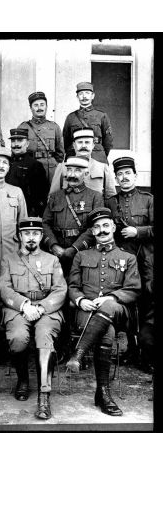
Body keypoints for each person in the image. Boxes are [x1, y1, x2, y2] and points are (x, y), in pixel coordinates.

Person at [66, 207, 141, 416]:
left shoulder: (128, 257)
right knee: (105, 332)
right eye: (97, 227)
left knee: (107, 308)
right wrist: (80, 300)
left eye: (106, 225)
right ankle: (103, 393)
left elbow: (134, 289)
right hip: (87, 311)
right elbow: (72, 287)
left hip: (118, 310)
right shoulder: (81, 256)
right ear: (92, 231)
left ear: (114, 227)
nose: (101, 230)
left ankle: (78, 353)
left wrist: (111, 298)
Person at [0, 217, 67, 420]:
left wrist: (41, 307)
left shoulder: (52, 260)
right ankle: (23, 380)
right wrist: (24, 305)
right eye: (27, 233)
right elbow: (4, 288)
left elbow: (60, 290)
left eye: (35, 233)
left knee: (45, 337)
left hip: (46, 309)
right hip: (18, 309)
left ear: (41, 236)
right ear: (20, 236)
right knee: (18, 339)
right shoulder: (8, 259)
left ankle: (44, 396)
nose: (31, 237)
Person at [106, 156, 154, 370]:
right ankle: (131, 350)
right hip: (121, 262)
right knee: (126, 306)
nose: (124, 177)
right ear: (115, 178)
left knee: (146, 306)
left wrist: (138, 231)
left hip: (145, 261)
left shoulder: (148, 199)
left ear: (135, 176)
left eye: (128, 173)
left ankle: (147, 353)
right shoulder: (111, 202)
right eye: (120, 174)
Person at [42, 155, 105, 275]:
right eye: (69, 170)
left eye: (77, 170)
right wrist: (53, 245)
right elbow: (45, 223)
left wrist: (75, 248)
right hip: (56, 253)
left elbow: (95, 227)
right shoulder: (56, 197)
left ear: (86, 174)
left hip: (82, 252)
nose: (72, 174)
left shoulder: (95, 197)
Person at [50, 128, 116, 202]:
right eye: (80, 142)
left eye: (87, 142)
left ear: (93, 145)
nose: (83, 146)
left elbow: (111, 198)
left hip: (95, 210)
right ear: (74, 145)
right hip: (69, 211)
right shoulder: (62, 167)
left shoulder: (103, 168)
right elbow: (53, 197)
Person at [18, 92, 64, 183]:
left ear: (46, 106)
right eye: (36, 105)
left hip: (50, 171)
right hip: (30, 168)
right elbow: (17, 152)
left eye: (42, 105)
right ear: (31, 108)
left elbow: (60, 153)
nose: (39, 108)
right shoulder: (23, 127)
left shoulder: (54, 127)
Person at [63, 81, 113, 164]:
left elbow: (108, 141)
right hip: (75, 156)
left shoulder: (101, 115)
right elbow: (66, 141)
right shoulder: (71, 117)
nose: (84, 96)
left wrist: (101, 154)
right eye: (81, 94)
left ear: (92, 96)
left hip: (97, 155)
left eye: (87, 93)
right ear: (77, 97)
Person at [5, 127, 49, 216]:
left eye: (20, 140)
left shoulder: (35, 165)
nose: (16, 144)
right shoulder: (5, 162)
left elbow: (41, 195)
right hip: (5, 210)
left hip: (25, 212)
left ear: (27, 143)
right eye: (13, 141)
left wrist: (33, 214)